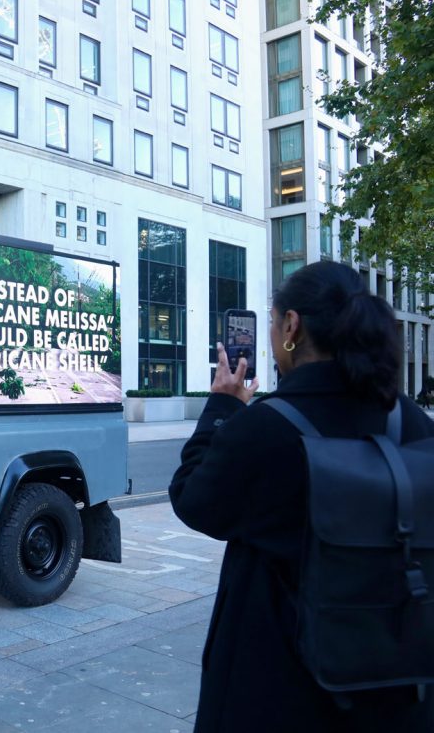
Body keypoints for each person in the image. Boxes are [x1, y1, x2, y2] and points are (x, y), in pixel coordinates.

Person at [169, 261, 434, 733]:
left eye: (272, 323)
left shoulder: (267, 428)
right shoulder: (415, 425)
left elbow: (192, 498)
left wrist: (223, 406)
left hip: (279, 686)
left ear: (291, 326)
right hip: (396, 686)